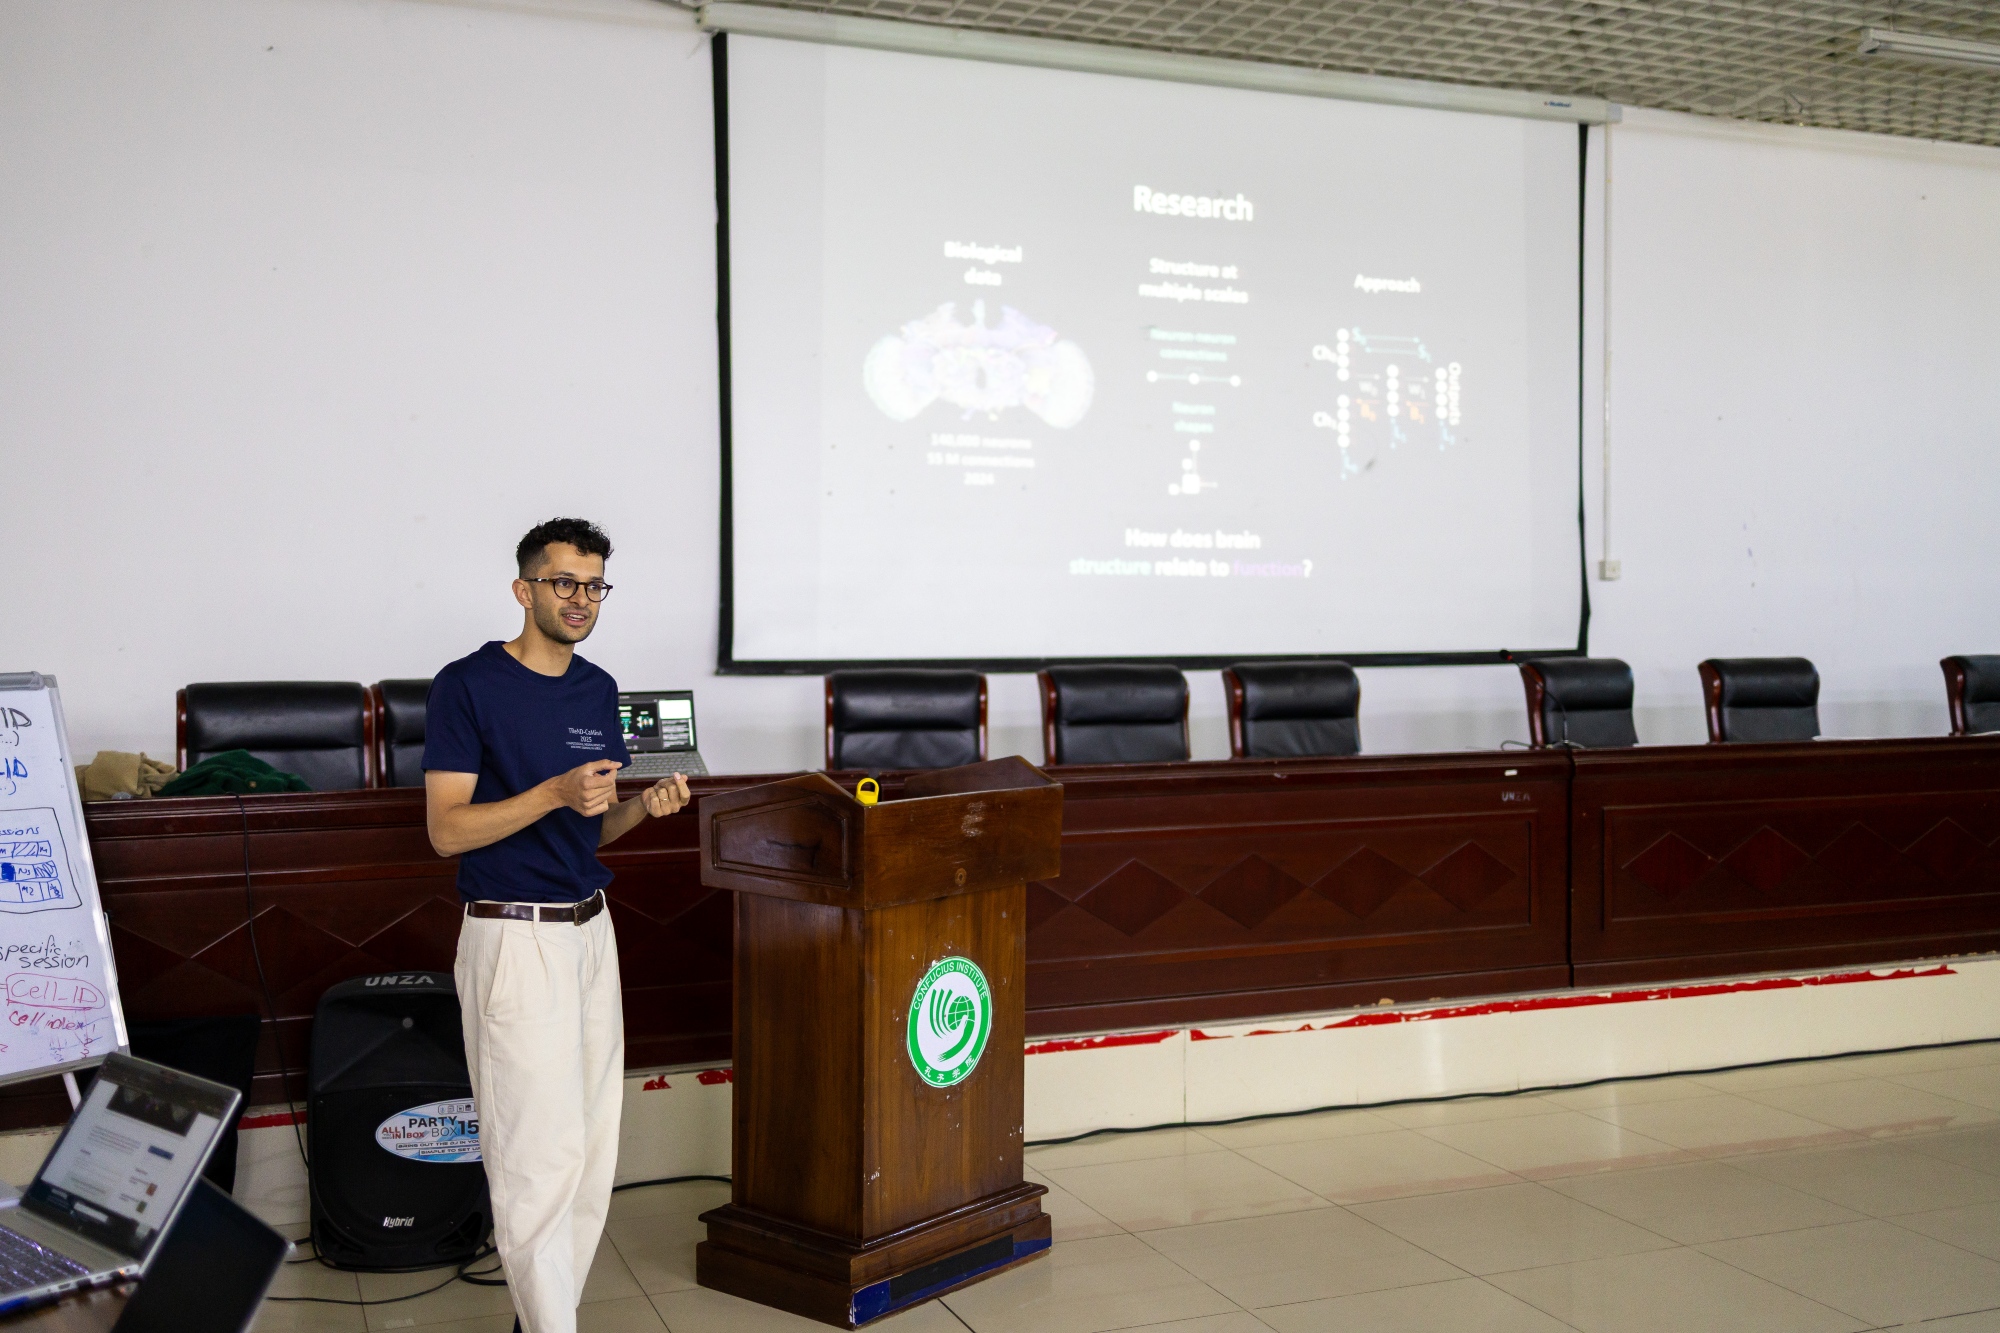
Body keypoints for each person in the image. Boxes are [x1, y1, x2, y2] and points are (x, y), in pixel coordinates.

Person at [422, 517, 690, 1333]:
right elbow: (446, 831)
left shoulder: (598, 689)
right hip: (515, 936)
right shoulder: (466, 684)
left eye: (594, 584)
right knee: (535, 1161)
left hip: (589, 931)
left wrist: (642, 806)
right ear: (524, 588)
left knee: (588, 1152)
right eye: (564, 581)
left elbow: (590, 828)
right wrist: (550, 791)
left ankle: (542, 1320)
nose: (581, 598)